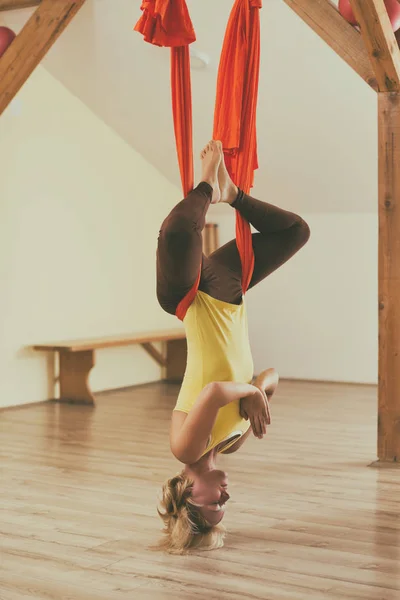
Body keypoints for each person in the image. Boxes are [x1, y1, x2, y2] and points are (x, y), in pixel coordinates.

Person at [155, 141, 310, 554]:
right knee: (296, 232)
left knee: (176, 232)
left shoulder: (186, 448)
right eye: (226, 507)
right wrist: (262, 389)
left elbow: (215, 391)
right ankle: (232, 194)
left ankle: (206, 185)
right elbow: (268, 375)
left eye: (213, 507)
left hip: (187, 297)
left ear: (189, 494)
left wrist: (253, 392)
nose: (225, 498)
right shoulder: (233, 440)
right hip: (226, 292)